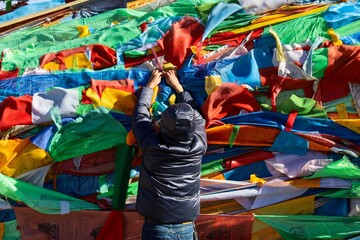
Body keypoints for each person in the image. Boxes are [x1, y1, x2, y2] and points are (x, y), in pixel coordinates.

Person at [132, 69, 207, 240]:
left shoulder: (151, 144)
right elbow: (198, 117)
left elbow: (140, 117)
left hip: (156, 228)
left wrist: (150, 86)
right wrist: (179, 88)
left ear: (160, 126)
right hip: (186, 227)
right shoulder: (199, 145)